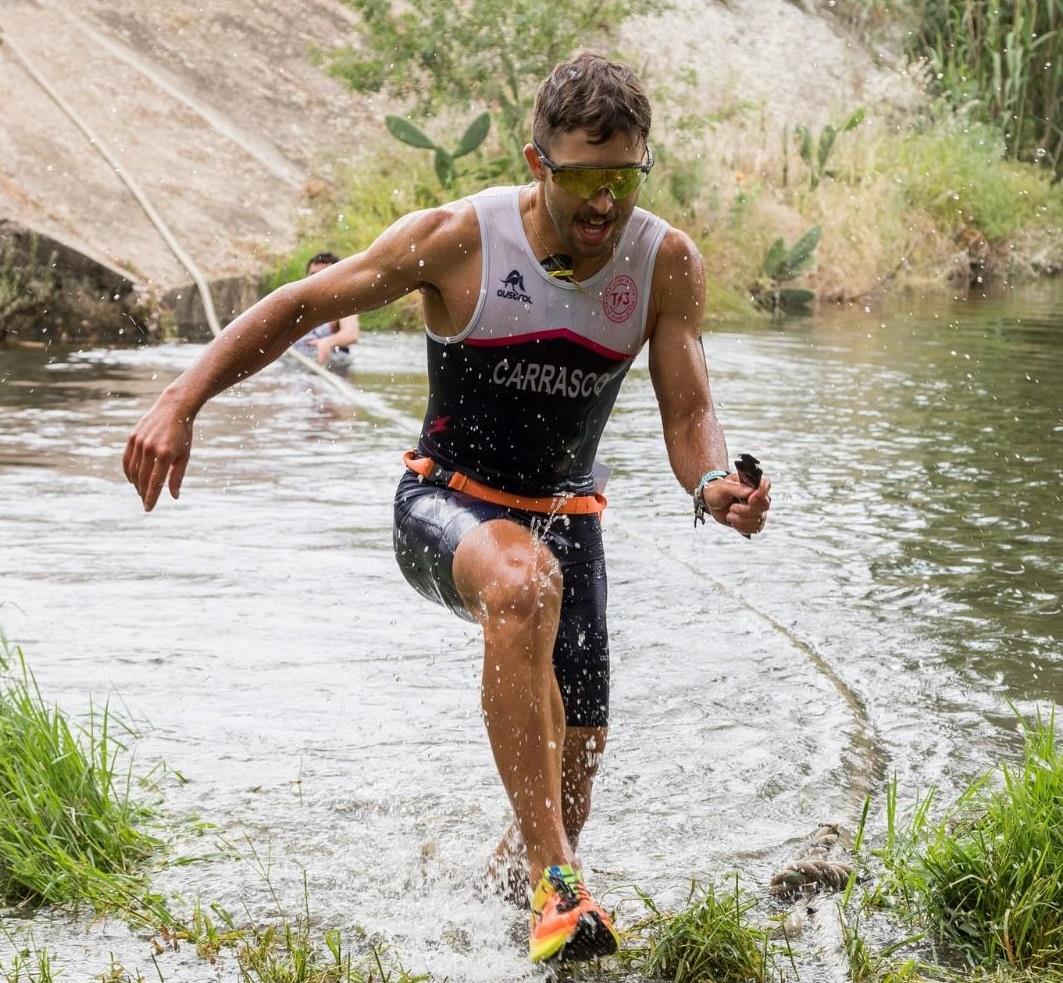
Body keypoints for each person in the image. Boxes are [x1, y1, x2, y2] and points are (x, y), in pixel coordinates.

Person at [123, 52, 772, 965]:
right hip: (446, 505)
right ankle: (560, 883)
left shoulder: (662, 262)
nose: (603, 204)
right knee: (519, 584)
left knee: (566, 789)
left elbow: (690, 410)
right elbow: (303, 301)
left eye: (624, 178)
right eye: (584, 177)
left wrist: (713, 486)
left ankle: (511, 907)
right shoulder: (459, 239)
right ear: (536, 161)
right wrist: (180, 400)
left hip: (568, 519)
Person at [292, 252, 361, 367]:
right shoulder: (298, 306)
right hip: (295, 366)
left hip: (332, 366)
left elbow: (351, 334)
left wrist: (327, 342)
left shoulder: (343, 304)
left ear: (337, 279)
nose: (316, 280)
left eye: (323, 275)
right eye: (312, 275)